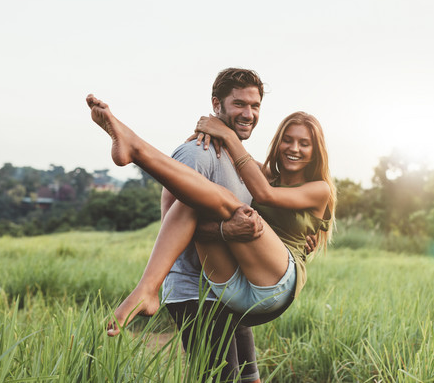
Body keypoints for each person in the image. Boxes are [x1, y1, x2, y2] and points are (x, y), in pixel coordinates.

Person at [84, 78, 335, 369]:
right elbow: (229, 170)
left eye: (304, 143)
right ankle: (146, 289)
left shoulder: (320, 188)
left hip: (276, 285)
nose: (294, 148)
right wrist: (211, 132)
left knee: (231, 204)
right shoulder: (263, 172)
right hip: (232, 289)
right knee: (195, 202)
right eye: (288, 140)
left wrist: (226, 135)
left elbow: (265, 194)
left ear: (316, 151)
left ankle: (137, 150)